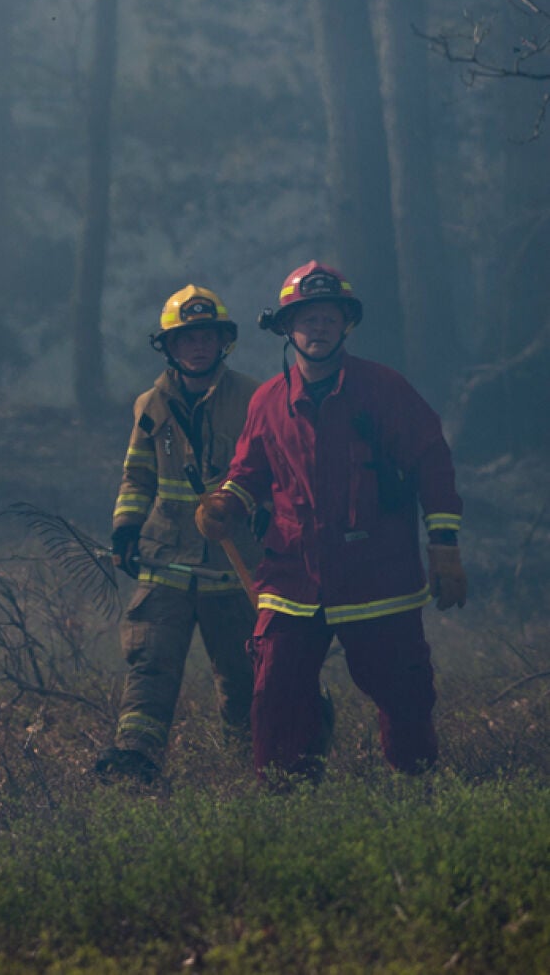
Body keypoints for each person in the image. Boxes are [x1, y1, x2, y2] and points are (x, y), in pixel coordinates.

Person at [197, 261, 468, 779]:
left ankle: (415, 786)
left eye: (328, 319)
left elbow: (432, 461)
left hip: (378, 573)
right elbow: (246, 471)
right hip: (293, 575)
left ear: (345, 325)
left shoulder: (385, 390)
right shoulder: (268, 401)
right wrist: (224, 505)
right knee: (275, 687)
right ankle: (283, 796)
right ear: (285, 328)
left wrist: (444, 546)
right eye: (307, 319)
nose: (317, 329)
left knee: (403, 688)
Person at [96, 286, 261, 783]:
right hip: (165, 561)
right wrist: (126, 528)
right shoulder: (150, 404)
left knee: (243, 678)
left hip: (232, 567)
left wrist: (247, 510)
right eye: (186, 338)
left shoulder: (255, 399)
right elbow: (138, 475)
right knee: (150, 664)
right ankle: (135, 758)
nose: (197, 346)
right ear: (168, 346)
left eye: (206, 336)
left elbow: (269, 473)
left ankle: (252, 765)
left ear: (222, 342)